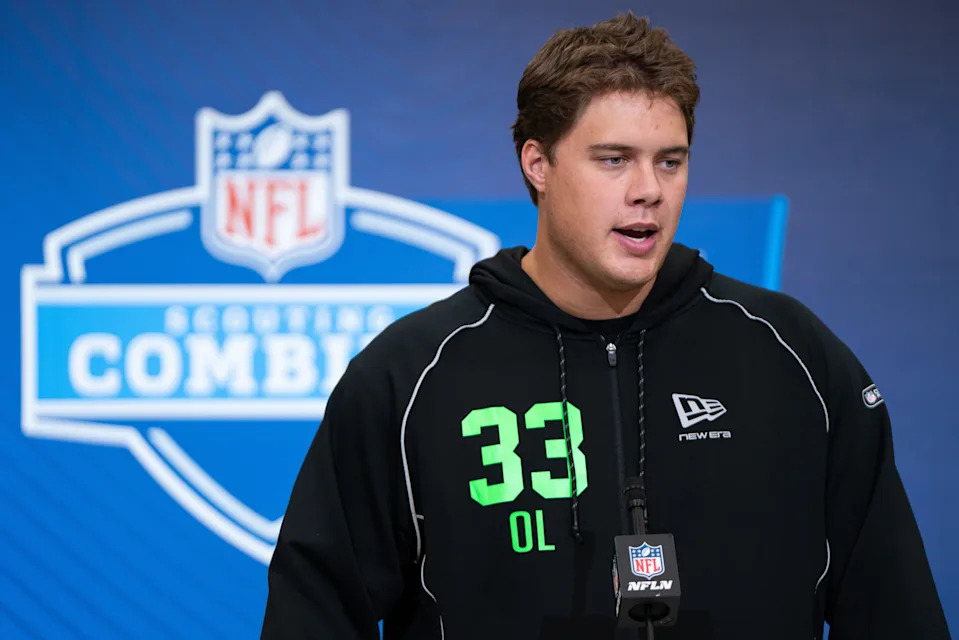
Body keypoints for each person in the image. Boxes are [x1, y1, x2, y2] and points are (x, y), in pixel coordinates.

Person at [261, 13, 950, 640]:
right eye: (612, 159)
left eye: (669, 161)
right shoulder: (411, 376)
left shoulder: (790, 355)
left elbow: (892, 609)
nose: (647, 189)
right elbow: (314, 614)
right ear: (538, 164)